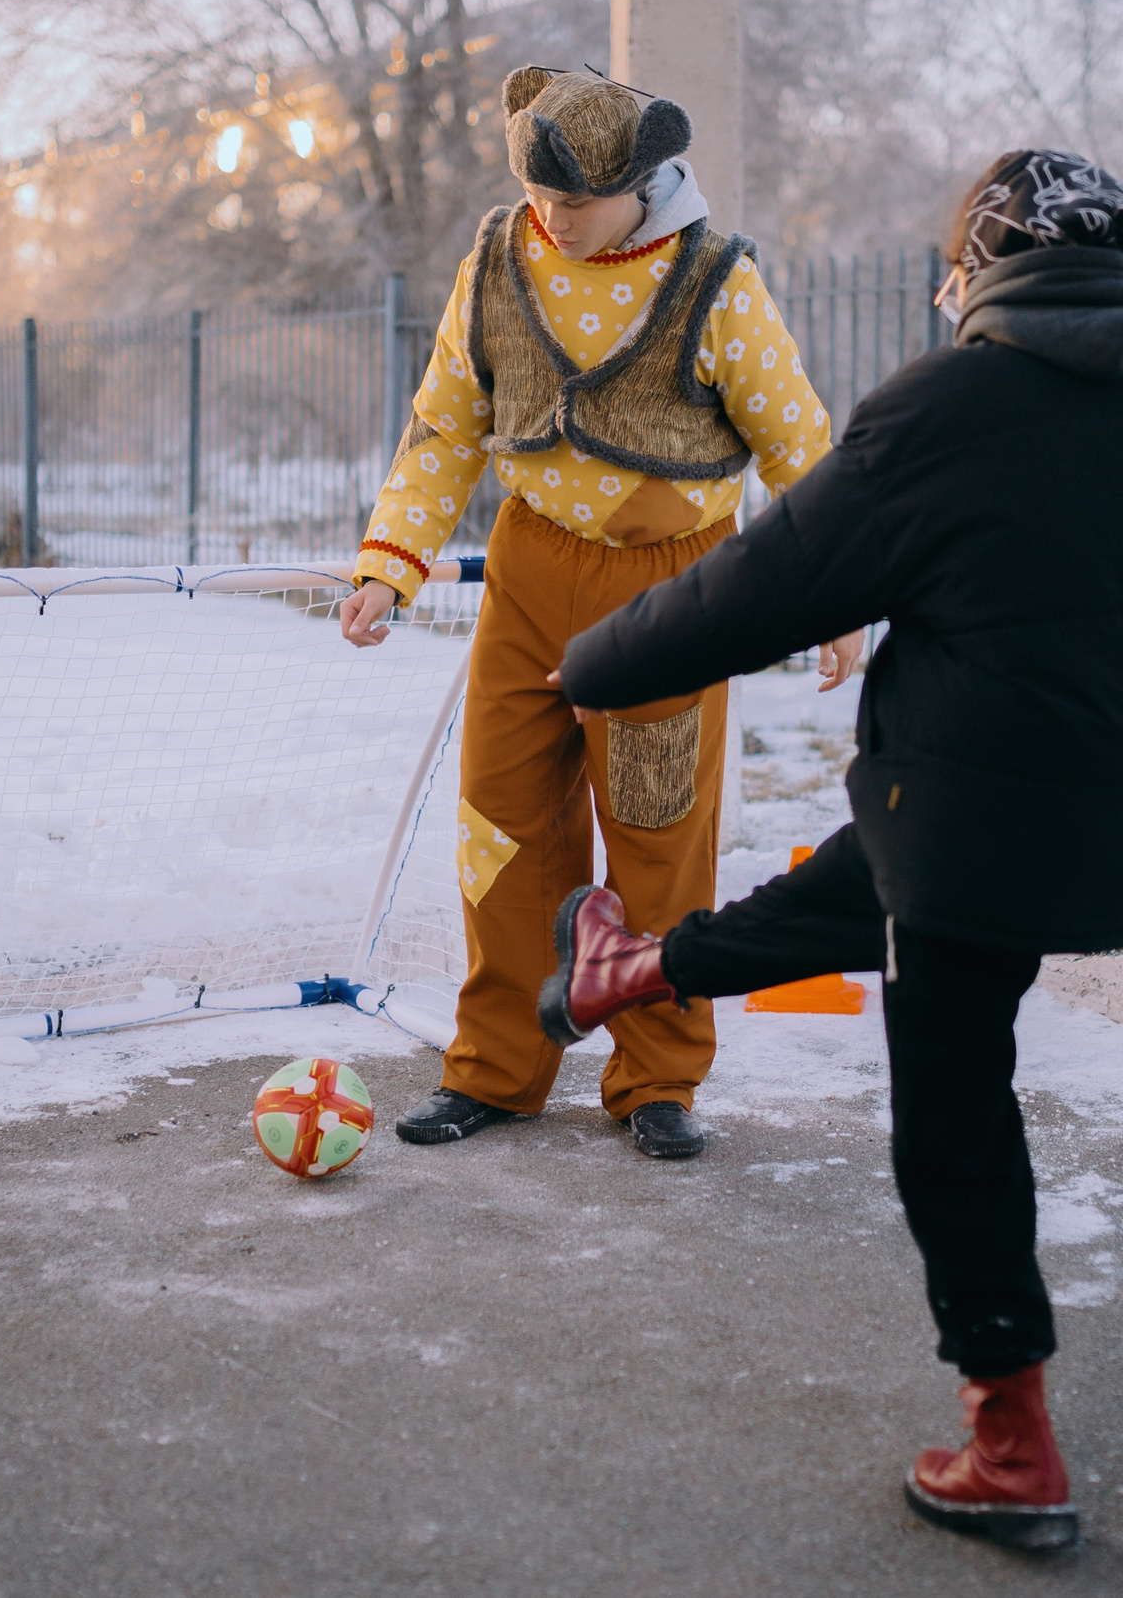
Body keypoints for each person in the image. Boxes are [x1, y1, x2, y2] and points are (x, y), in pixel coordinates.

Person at [537, 149, 1123, 1547]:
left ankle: (1010, 1437)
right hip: (1120, 840)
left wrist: (586, 663)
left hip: (954, 831)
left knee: (953, 1092)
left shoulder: (939, 413)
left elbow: (749, 591)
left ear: (977, 272)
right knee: (866, 879)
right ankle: (636, 968)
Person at [338, 65, 860, 1159]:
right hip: (530, 575)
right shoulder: (498, 256)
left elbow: (800, 444)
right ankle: (496, 1068)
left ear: (644, 183)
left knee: (658, 837)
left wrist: (836, 595)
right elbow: (446, 422)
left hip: (671, 590)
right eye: (539, 197)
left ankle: (657, 1078)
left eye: (574, 202)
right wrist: (392, 561)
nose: (553, 219)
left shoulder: (716, 281)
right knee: (502, 825)